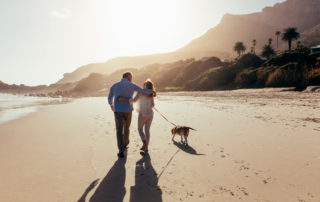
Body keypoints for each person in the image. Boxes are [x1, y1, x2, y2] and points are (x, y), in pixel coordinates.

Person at [108, 72, 153, 158]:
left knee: (119, 130)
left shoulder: (114, 85)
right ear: (128, 77)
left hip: (118, 110)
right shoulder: (132, 85)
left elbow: (110, 96)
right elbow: (142, 90)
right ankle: (125, 143)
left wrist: (111, 104)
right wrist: (151, 91)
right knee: (126, 128)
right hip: (128, 110)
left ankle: (121, 150)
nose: (131, 79)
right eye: (131, 78)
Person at [118, 79, 155, 153]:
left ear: (145, 86)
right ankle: (146, 146)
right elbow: (153, 105)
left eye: (143, 84)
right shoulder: (151, 93)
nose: (142, 85)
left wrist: (127, 99)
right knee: (147, 130)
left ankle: (145, 144)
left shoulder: (140, 92)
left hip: (142, 114)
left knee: (140, 129)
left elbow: (133, 101)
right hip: (150, 114)